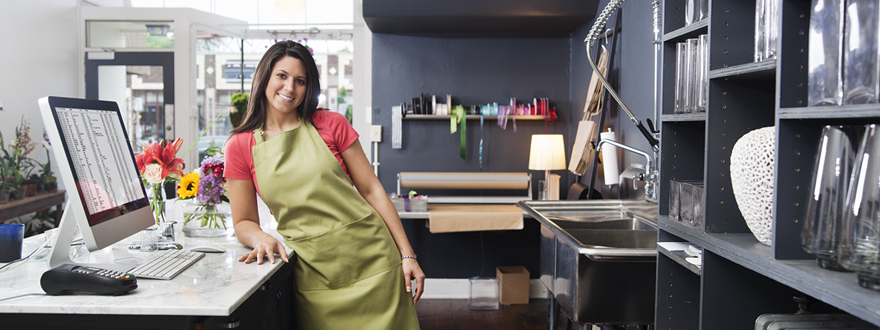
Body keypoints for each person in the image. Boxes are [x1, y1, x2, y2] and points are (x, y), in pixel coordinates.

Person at [224, 40, 424, 329]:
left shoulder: (331, 124)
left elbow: (372, 190)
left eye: (300, 80)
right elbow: (243, 221)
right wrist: (261, 238)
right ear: (264, 77)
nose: (290, 88)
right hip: (315, 274)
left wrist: (407, 254)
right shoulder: (239, 145)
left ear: (309, 87)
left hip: (375, 261)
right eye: (281, 75)